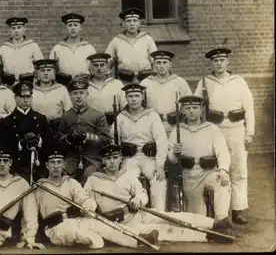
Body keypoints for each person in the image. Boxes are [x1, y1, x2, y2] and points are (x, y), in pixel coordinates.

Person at [84, 143, 233, 245]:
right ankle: (208, 236)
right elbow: (86, 202)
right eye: (108, 158)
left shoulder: (127, 175)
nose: (111, 162)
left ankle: (214, 224)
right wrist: (89, 207)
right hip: (120, 221)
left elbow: (142, 194)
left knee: (172, 217)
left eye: (115, 158)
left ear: (120, 159)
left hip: (137, 212)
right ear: (103, 160)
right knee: (166, 232)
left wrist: (137, 200)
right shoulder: (94, 180)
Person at [35, 147, 158, 250]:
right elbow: (30, 214)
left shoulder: (70, 182)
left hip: (76, 220)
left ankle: (139, 240)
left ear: (64, 165)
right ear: (47, 165)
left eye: (59, 162)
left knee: (103, 226)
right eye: (52, 162)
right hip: (56, 227)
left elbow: (85, 199)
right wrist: (29, 237)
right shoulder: (39, 187)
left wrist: (87, 206)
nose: (56, 166)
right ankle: (87, 241)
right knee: (92, 240)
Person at [194, 48, 254, 225]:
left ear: (227, 62)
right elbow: (196, 107)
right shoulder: (204, 82)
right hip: (215, 129)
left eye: (222, 60)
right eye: (215, 60)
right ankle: (219, 211)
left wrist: (249, 133)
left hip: (236, 128)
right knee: (216, 169)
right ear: (210, 63)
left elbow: (249, 108)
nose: (219, 63)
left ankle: (238, 209)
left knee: (238, 170)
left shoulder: (238, 81)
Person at [168, 95, 233, 228]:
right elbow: (171, 159)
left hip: (208, 173)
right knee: (198, 220)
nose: (191, 111)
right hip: (189, 176)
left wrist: (223, 170)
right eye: (188, 108)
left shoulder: (212, 129)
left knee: (223, 182)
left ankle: (222, 220)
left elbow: (222, 150)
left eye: (195, 107)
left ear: (202, 109)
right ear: (182, 110)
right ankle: (209, 226)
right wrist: (174, 152)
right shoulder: (177, 131)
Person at [109, 83, 168, 211]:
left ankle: (159, 212)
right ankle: (134, 212)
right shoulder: (120, 118)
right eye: (130, 96)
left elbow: (162, 140)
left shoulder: (151, 115)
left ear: (142, 98)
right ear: (126, 98)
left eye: (137, 95)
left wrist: (160, 164)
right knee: (126, 179)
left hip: (149, 158)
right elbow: (114, 142)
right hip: (130, 159)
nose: (134, 99)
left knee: (158, 179)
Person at [58, 78, 111, 185]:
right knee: (65, 179)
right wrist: (69, 137)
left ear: (87, 94)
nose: (78, 96)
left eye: (81, 93)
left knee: (88, 178)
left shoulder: (97, 115)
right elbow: (59, 141)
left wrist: (87, 136)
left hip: (92, 158)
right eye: (75, 93)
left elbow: (106, 140)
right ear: (70, 96)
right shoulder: (66, 116)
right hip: (72, 158)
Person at [0, 81, 53, 181]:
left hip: (39, 167)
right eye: (21, 97)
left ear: (32, 97)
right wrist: (20, 142)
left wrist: (39, 141)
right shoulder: (7, 122)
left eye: (28, 97)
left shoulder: (41, 119)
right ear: (15, 98)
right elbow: (4, 146)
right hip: (16, 168)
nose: (25, 100)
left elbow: (49, 144)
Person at [140, 50, 192, 136]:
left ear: (170, 64)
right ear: (153, 65)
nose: (161, 66)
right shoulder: (145, 83)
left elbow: (188, 104)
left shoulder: (179, 82)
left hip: (175, 126)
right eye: (158, 63)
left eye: (164, 62)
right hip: (153, 125)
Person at [105, 8, 157, 85]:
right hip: (124, 81)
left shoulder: (147, 38)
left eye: (135, 20)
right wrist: (109, 79)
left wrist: (155, 79)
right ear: (123, 23)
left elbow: (155, 60)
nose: (132, 24)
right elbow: (107, 61)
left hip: (145, 80)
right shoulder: (116, 40)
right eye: (128, 21)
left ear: (139, 23)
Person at [49, 13, 96, 86]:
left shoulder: (89, 48)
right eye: (70, 25)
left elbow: (94, 70)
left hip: (84, 86)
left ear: (80, 28)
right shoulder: (57, 48)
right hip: (64, 85)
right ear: (66, 28)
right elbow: (51, 70)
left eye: (75, 25)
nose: (72, 28)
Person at [0, 17, 44, 86]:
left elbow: (40, 66)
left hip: (28, 83)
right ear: (10, 30)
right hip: (9, 84)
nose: (16, 31)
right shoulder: (4, 48)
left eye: (19, 27)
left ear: (24, 29)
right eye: (13, 28)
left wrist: (37, 81)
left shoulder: (32, 46)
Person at [31, 59, 72, 134]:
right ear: (37, 74)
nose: (46, 73)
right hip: (37, 128)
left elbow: (68, 110)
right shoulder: (32, 90)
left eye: (49, 70)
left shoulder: (61, 89)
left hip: (57, 128)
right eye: (42, 70)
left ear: (53, 74)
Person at [86, 53, 126, 126]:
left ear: (107, 67)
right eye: (95, 65)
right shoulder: (86, 86)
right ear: (91, 68)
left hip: (113, 124)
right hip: (92, 125)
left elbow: (125, 107)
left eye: (102, 65)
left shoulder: (117, 84)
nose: (99, 68)